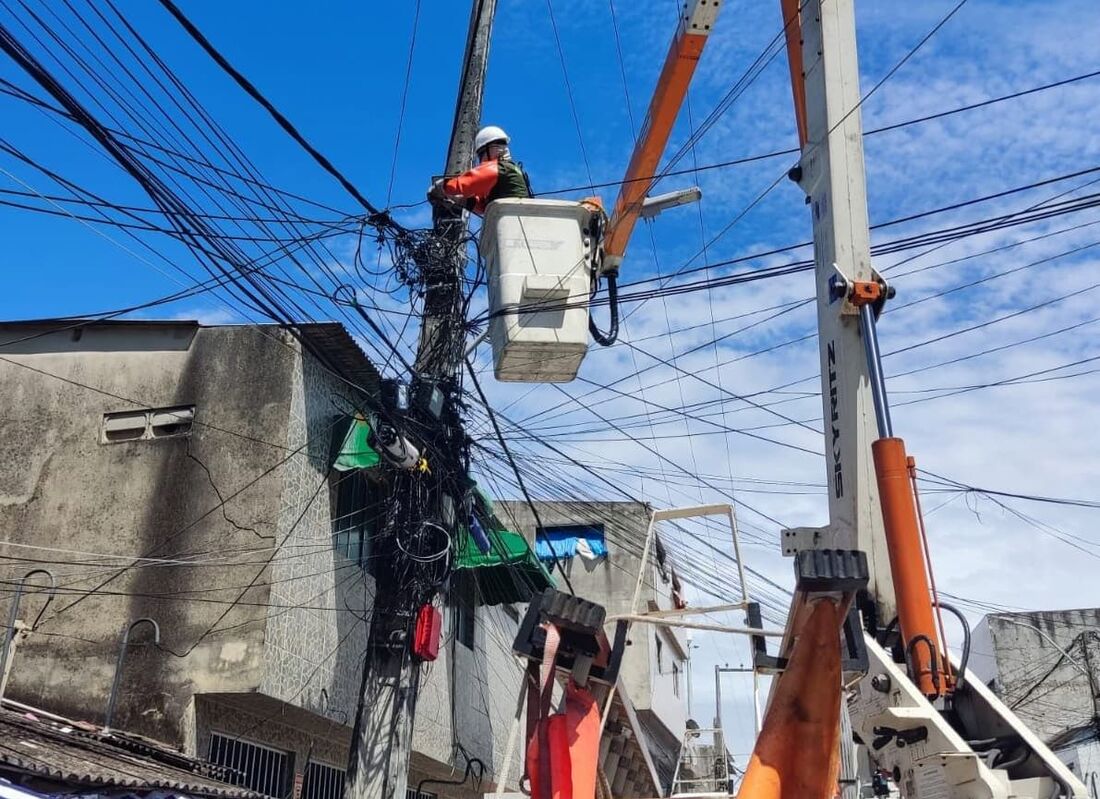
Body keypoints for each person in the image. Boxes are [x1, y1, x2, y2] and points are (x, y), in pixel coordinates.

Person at [428, 125, 532, 215]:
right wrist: (461, 200)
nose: (481, 160)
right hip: (517, 222)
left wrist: (440, 187)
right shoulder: (510, 169)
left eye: (481, 154)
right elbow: (483, 207)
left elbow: (468, 182)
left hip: (512, 220)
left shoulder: (499, 168)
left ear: (490, 148)